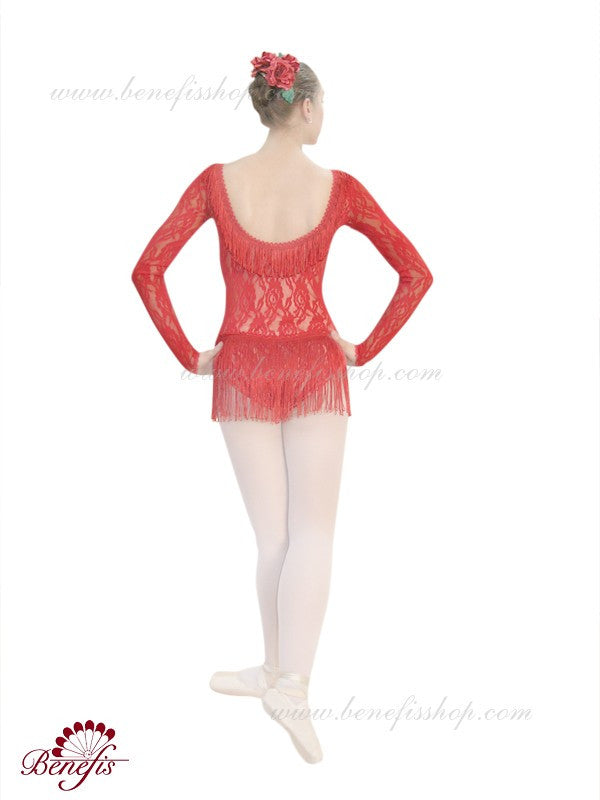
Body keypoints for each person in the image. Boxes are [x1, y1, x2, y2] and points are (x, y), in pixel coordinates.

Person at [131, 50, 434, 764]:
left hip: (241, 367)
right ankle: (289, 684)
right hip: (314, 367)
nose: (325, 117)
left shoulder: (216, 182)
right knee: (314, 535)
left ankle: (274, 673)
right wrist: (364, 348)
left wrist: (190, 355)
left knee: (274, 540)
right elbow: (416, 273)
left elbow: (147, 270)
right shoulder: (340, 189)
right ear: (303, 107)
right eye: (323, 106)